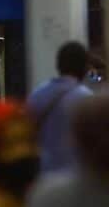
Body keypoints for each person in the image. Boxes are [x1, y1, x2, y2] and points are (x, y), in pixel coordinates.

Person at [27, 41, 93, 173]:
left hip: (44, 175)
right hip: (78, 176)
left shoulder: (37, 94)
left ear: (58, 65)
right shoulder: (88, 99)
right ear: (84, 67)